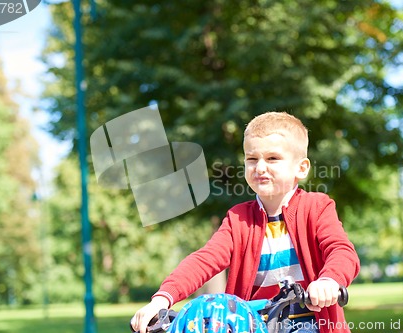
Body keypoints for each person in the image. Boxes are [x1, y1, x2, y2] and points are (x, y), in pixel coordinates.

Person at [131, 112, 360, 333]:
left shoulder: (317, 207)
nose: (260, 167)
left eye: (272, 158)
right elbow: (205, 259)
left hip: (311, 322)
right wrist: (163, 298)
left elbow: (341, 251)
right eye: (252, 159)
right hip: (250, 324)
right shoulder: (238, 219)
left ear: (301, 168)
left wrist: (329, 281)